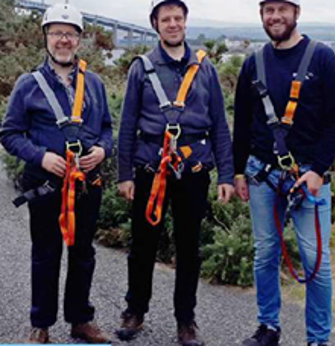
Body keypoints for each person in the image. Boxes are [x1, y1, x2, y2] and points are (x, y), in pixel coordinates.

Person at [116, 0, 234, 345]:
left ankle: (186, 320)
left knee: (189, 247)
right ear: (156, 24)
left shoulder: (205, 69)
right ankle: (135, 311)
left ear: (185, 22)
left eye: (177, 18)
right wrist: (125, 174)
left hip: (193, 168)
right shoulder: (141, 68)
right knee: (142, 246)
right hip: (150, 167)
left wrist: (226, 175)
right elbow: (127, 126)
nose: (172, 24)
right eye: (165, 19)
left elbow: (220, 127)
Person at [1, 3, 113, 344]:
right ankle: (42, 323)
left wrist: (103, 150)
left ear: (79, 40)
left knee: (83, 253)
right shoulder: (28, 84)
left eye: (70, 34)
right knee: (46, 254)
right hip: (46, 184)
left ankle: (81, 320)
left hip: (86, 184)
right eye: (56, 33)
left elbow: (107, 129)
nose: (63, 40)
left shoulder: (93, 83)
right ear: (46, 38)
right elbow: (9, 133)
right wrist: (41, 157)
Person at [233, 0, 335, 345]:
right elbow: (243, 124)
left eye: (281, 9)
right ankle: (268, 327)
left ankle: (318, 339)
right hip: (261, 173)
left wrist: (320, 170)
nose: (275, 17)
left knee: (316, 263)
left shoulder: (323, 58)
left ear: (296, 13)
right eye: (268, 10)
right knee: (265, 254)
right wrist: (237, 172)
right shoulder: (253, 64)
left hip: (308, 177)